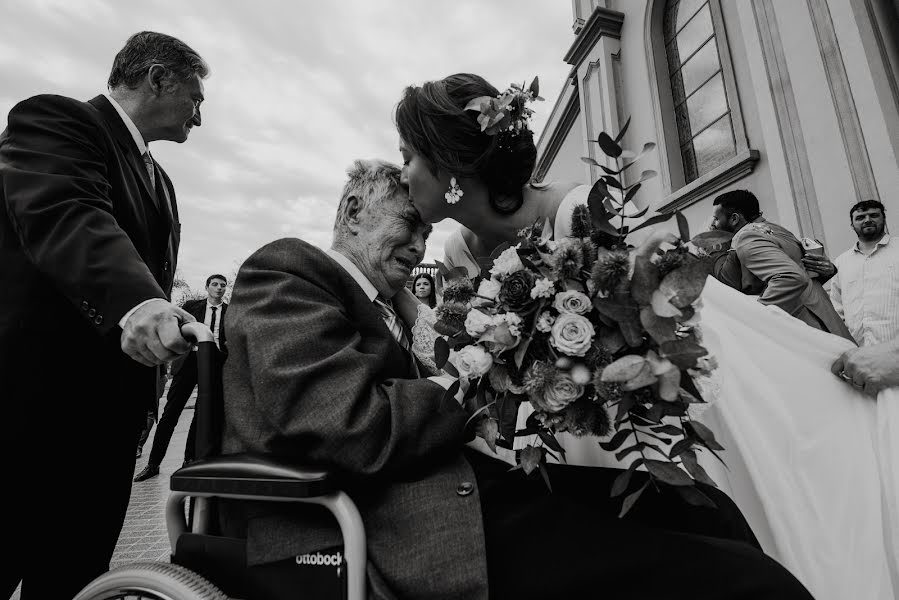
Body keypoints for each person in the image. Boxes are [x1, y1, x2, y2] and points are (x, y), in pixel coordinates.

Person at [393, 72, 898, 599]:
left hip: (659, 395)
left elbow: (679, 299)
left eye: (408, 157)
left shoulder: (576, 210)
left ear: (449, 163)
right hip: (560, 428)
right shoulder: (457, 252)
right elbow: (474, 349)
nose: (403, 174)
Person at [219, 158, 812, 600]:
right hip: (385, 525)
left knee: (705, 507)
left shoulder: (403, 308)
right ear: (353, 212)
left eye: (427, 232)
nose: (421, 243)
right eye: (409, 224)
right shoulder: (290, 271)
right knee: (746, 584)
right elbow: (350, 427)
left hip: (458, 490)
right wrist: (466, 378)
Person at [0, 31, 207, 599]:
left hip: (105, 434)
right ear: (158, 77)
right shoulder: (57, 122)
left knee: (73, 579)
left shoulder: (161, 182)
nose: (199, 117)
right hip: (27, 418)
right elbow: (67, 214)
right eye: (196, 98)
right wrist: (136, 303)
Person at [709, 190, 853, 341]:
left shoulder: (746, 237)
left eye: (716, 219)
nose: (713, 225)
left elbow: (791, 277)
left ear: (734, 219)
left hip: (807, 332)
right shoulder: (776, 229)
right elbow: (801, 272)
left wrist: (755, 315)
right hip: (827, 322)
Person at [134, 274, 228, 482]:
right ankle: (153, 463)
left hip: (213, 365)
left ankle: (189, 460)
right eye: (215, 284)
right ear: (207, 287)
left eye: (223, 285)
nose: (219, 288)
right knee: (170, 414)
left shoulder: (229, 312)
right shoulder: (192, 306)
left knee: (200, 415)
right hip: (188, 363)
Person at [828, 200, 898, 347]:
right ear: (852, 225)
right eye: (860, 217)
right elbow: (837, 310)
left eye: (873, 215)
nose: (867, 220)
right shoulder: (841, 262)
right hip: (861, 354)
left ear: (884, 219)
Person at [136, 363, 171, 458]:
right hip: (156, 374)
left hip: (155, 375)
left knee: (150, 412)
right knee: (149, 412)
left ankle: (138, 445)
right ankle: (138, 446)